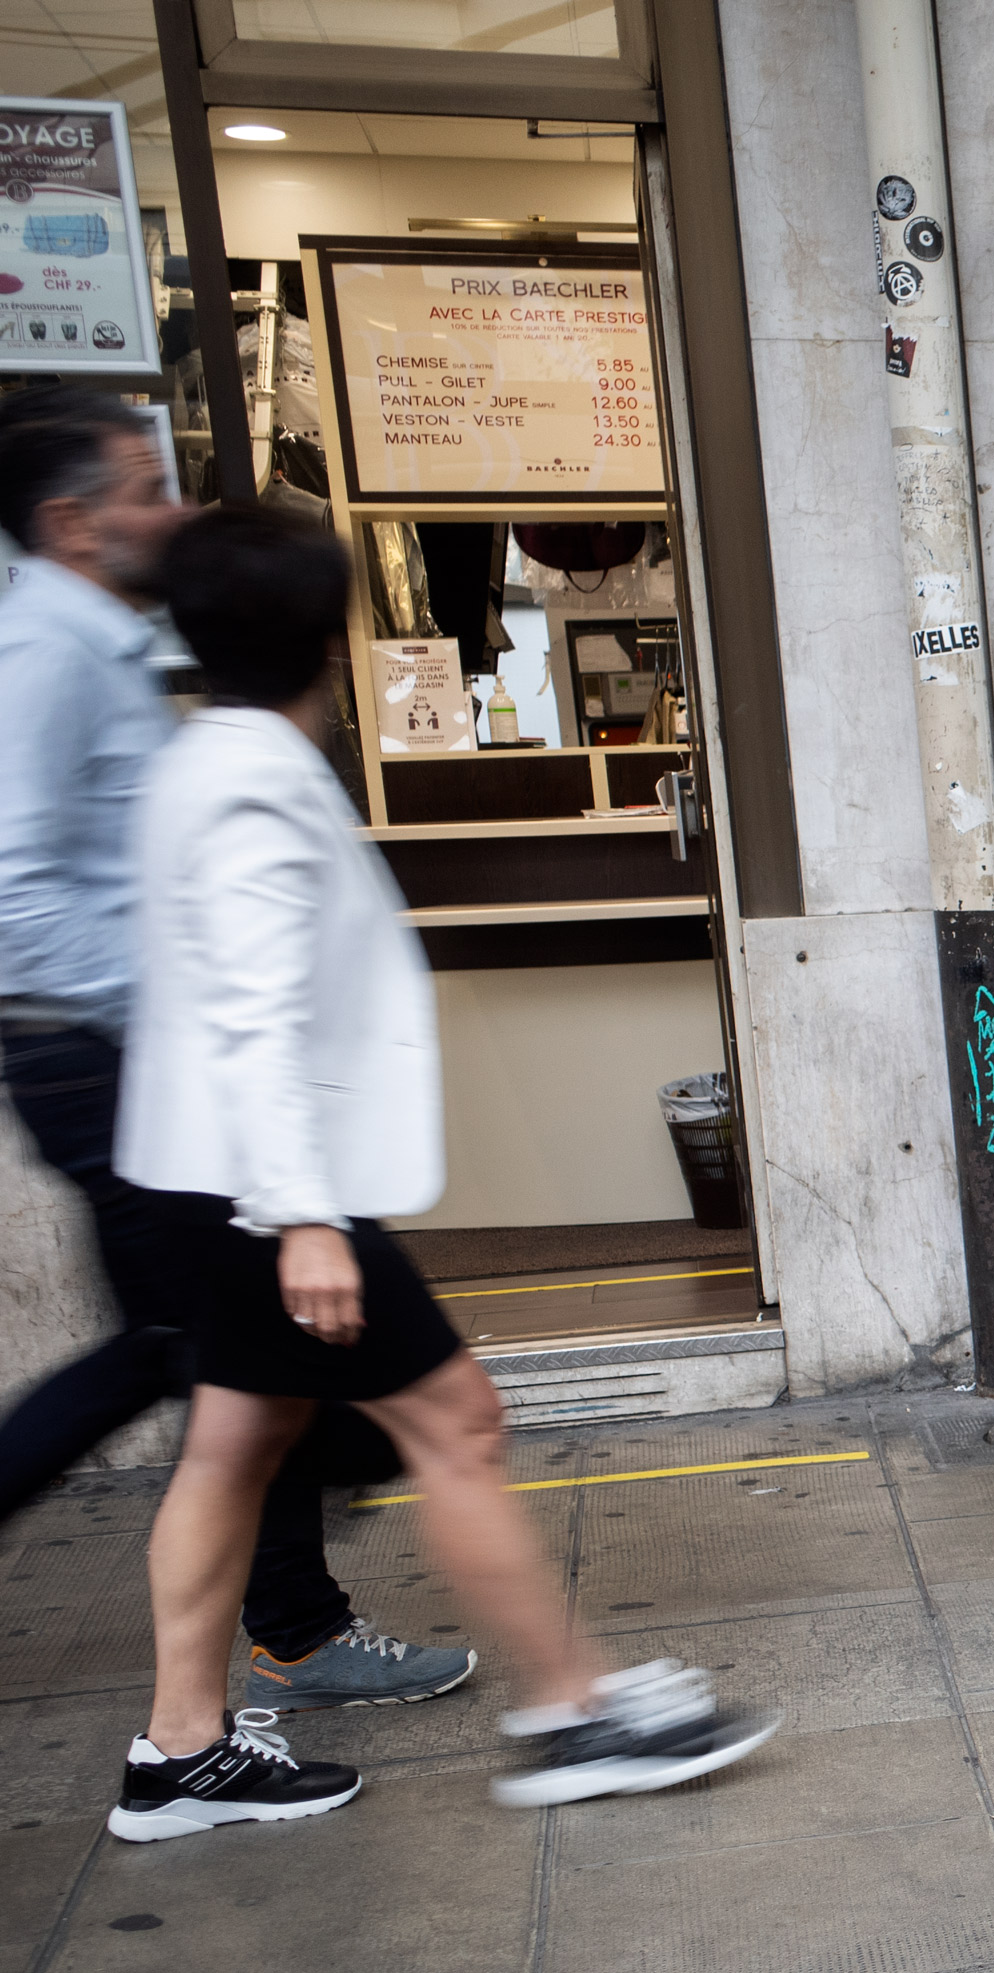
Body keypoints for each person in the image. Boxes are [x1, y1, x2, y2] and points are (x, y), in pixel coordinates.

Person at [104, 504, 775, 1841]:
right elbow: (253, 1016)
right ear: (326, 632)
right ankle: (573, 1709)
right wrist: (303, 1219)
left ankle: (179, 1748)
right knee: (453, 1419)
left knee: (234, 1444)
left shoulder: (203, 758)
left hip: (206, 1177)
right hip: (266, 1191)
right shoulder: (250, 781)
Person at [0, 389, 468, 1718]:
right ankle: (266, 1672)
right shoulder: (53, 654)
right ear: (71, 522)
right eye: (149, 488)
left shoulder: (122, 661)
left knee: (224, 1378)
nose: (180, 508)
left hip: (154, 1070)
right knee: (226, 1373)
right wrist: (187, 1012)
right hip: (111, 1062)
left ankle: (224, 1701)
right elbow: (18, 889)